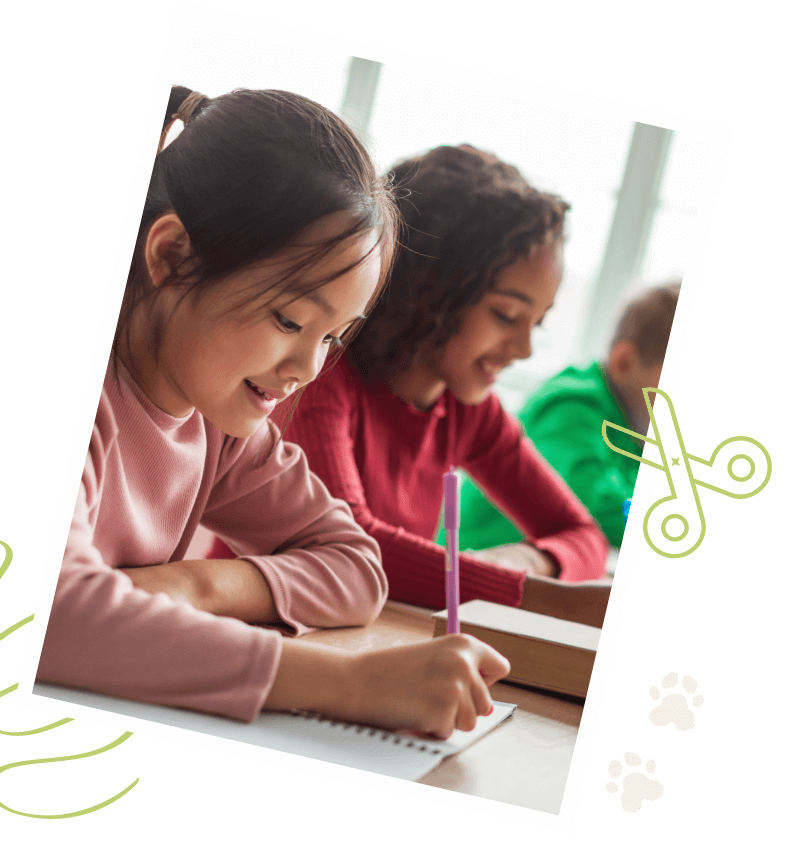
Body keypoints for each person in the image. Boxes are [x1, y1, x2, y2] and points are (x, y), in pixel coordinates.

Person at [36, 88, 510, 737]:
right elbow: (48, 613)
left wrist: (188, 589)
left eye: (332, 337)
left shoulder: (220, 424)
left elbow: (354, 566)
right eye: (290, 320)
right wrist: (348, 683)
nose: (307, 369)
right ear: (172, 256)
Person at [210, 145, 611, 627]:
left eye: (537, 323)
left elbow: (581, 533)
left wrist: (528, 562)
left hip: (364, 636)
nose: (524, 348)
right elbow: (348, 545)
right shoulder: (320, 377)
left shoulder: (467, 406)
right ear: (430, 289)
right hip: (250, 632)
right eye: (506, 315)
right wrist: (532, 596)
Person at [443, 282, 680, 550]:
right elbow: (597, 507)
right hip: (468, 567)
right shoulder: (571, 405)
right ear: (624, 362)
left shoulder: (639, 431)